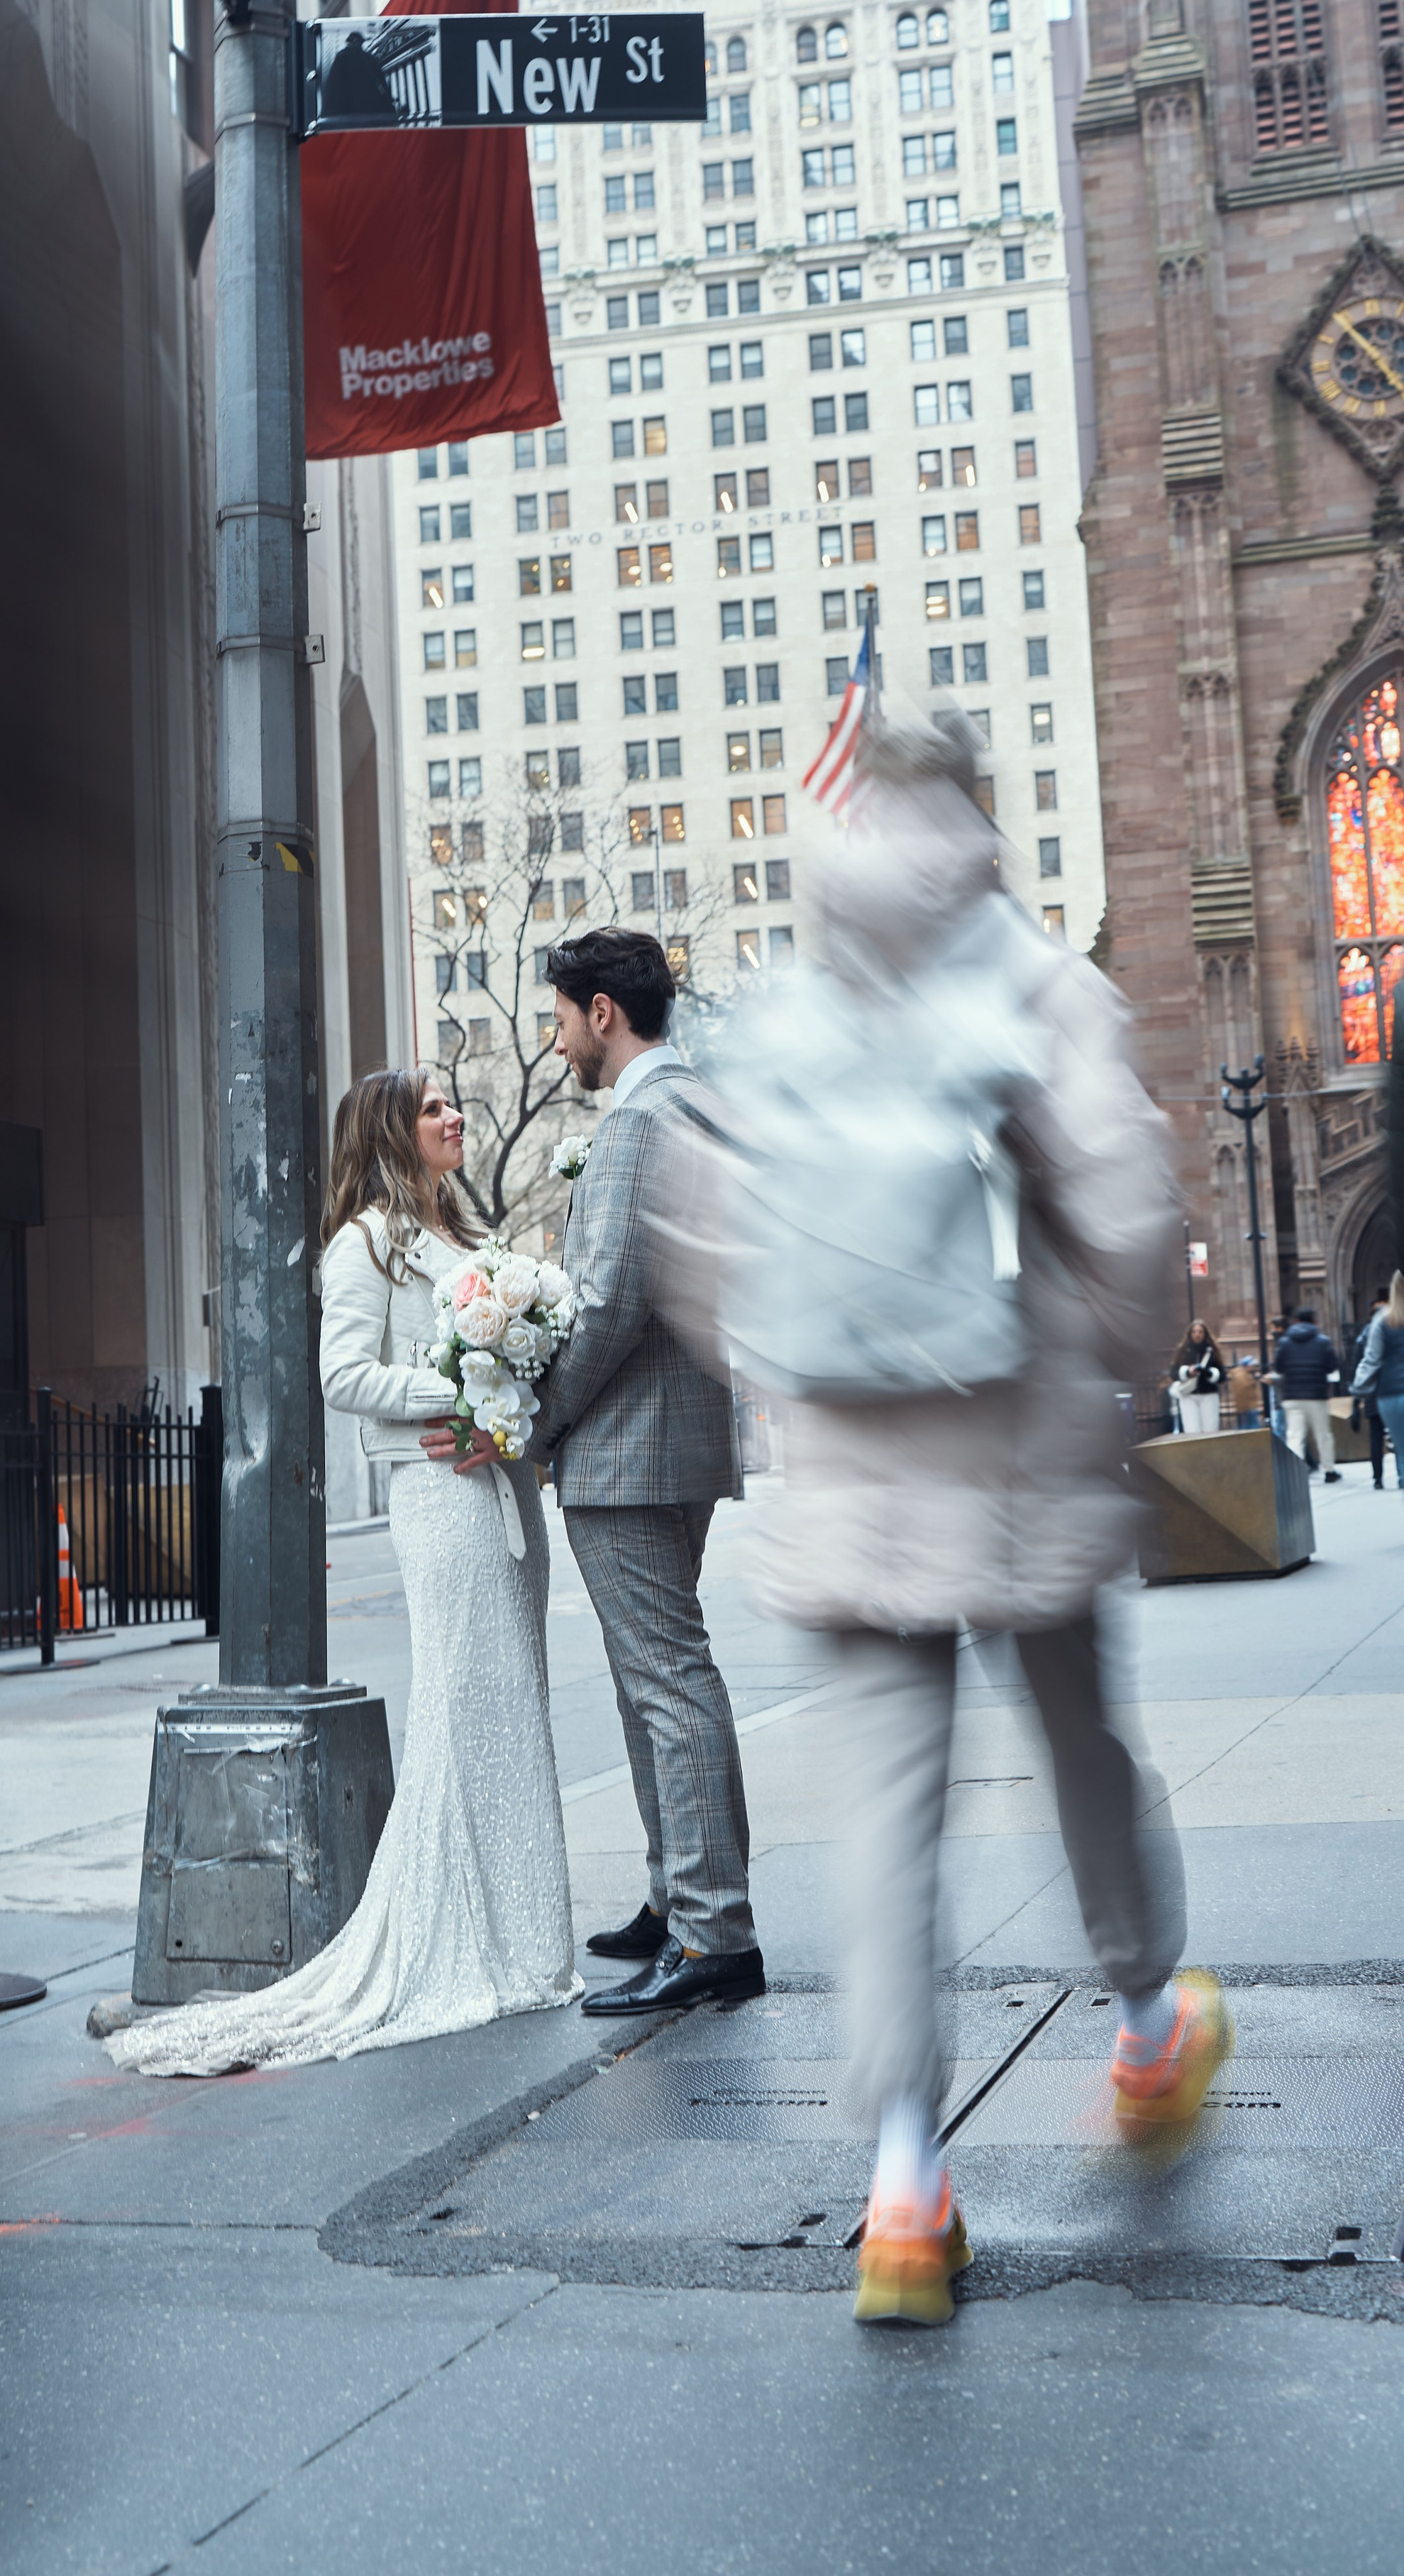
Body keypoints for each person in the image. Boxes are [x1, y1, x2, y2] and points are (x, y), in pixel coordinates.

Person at [723, 711, 1225, 2328]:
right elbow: (1133, 1214)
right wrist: (1120, 1371)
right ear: (977, 820)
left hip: (845, 1474)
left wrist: (784, 1395)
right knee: (1081, 1745)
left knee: (881, 1826)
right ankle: (1145, 2027)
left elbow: (708, 1233)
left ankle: (898, 2188)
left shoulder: (793, 994)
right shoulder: (1033, 980)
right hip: (1024, 1449)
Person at [112, 1072, 579, 2076]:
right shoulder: (366, 1241)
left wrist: (514, 1392)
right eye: (433, 1108)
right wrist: (455, 1387)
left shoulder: (464, 1231)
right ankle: (453, 1947)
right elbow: (346, 1375)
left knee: (513, 1711)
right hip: (442, 1496)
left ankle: (529, 1949)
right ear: (388, 1133)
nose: (455, 1118)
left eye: (455, 1104)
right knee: (459, 1713)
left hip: (506, 1494)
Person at [494, 925, 761, 2018]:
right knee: (650, 1680)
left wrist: (534, 1423)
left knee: (668, 1680)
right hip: (668, 1435)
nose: (557, 1044)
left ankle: (714, 1932)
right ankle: (675, 1898)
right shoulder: (690, 1104)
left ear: (604, 1012)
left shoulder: (647, 1119)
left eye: (561, 1019)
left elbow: (606, 1304)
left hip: (630, 1447)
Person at [1267, 1306, 1342, 1482]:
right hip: (1316, 1394)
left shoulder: (1285, 1342)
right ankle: (1329, 1471)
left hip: (1292, 1395)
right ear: (1314, 1321)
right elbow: (1332, 1366)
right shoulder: (1323, 1342)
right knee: (1323, 1435)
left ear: (1296, 1322)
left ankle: (1296, 1475)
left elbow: (1278, 1367)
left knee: (1295, 1435)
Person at [1349, 1273, 1404, 1494]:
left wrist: (1358, 1388)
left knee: (1401, 1448)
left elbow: (1371, 1360)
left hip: (1390, 1393)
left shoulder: (1382, 1320)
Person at [1348, 1292, 1392, 1488]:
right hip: (1391, 1391)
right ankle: (1400, 1476)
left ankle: (1378, 1479)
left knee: (1376, 1437)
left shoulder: (1362, 1337)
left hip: (1373, 1393)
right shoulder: (1393, 1332)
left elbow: (1359, 1368)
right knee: (1398, 1435)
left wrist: (1356, 1400)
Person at [1168, 1318, 1226, 1434]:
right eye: (1194, 1332)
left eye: (1200, 1332)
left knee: (1211, 1430)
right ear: (1190, 1334)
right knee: (1192, 1430)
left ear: (1205, 1334)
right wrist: (1187, 1372)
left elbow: (1222, 1376)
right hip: (1189, 1395)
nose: (1197, 1334)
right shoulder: (1183, 1351)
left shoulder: (1212, 1352)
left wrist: (1207, 1372)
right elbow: (1173, 1374)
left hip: (1209, 1394)